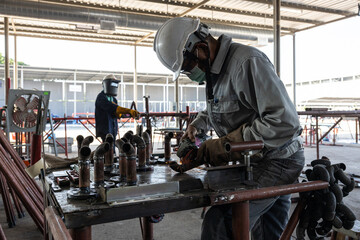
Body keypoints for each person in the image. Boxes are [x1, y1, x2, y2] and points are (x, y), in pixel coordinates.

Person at [153, 17, 304, 239]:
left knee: (221, 222)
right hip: (255, 160)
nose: (190, 75)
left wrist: (225, 145)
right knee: (268, 232)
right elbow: (219, 106)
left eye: (187, 68)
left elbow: (284, 122)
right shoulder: (214, 72)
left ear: (201, 48)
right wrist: (197, 125)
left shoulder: (247, 62)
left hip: (278, 161)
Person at [95, 74, 139, 142]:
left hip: (113, 128)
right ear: (105, 84)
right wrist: (129, 111)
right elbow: (113, 108)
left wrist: (129, 114)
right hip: (104, 129)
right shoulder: (101, 98)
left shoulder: (114, 100)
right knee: (107, 148)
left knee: (112, 149)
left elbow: (116, 112)